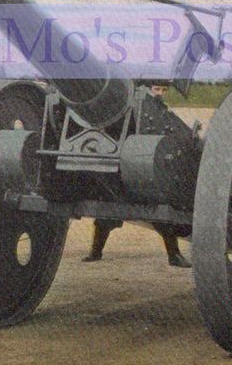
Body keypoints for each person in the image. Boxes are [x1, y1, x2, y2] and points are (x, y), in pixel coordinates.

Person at [81, 80, 191, 268]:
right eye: (157, 89)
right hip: (120, 161)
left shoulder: (155, 110)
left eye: (163, 90)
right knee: (106, 213)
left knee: (161, 211)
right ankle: (95, 251)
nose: (160, 94)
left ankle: (174, 255)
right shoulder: (134, 104)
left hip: (140, 164)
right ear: (147, 88)